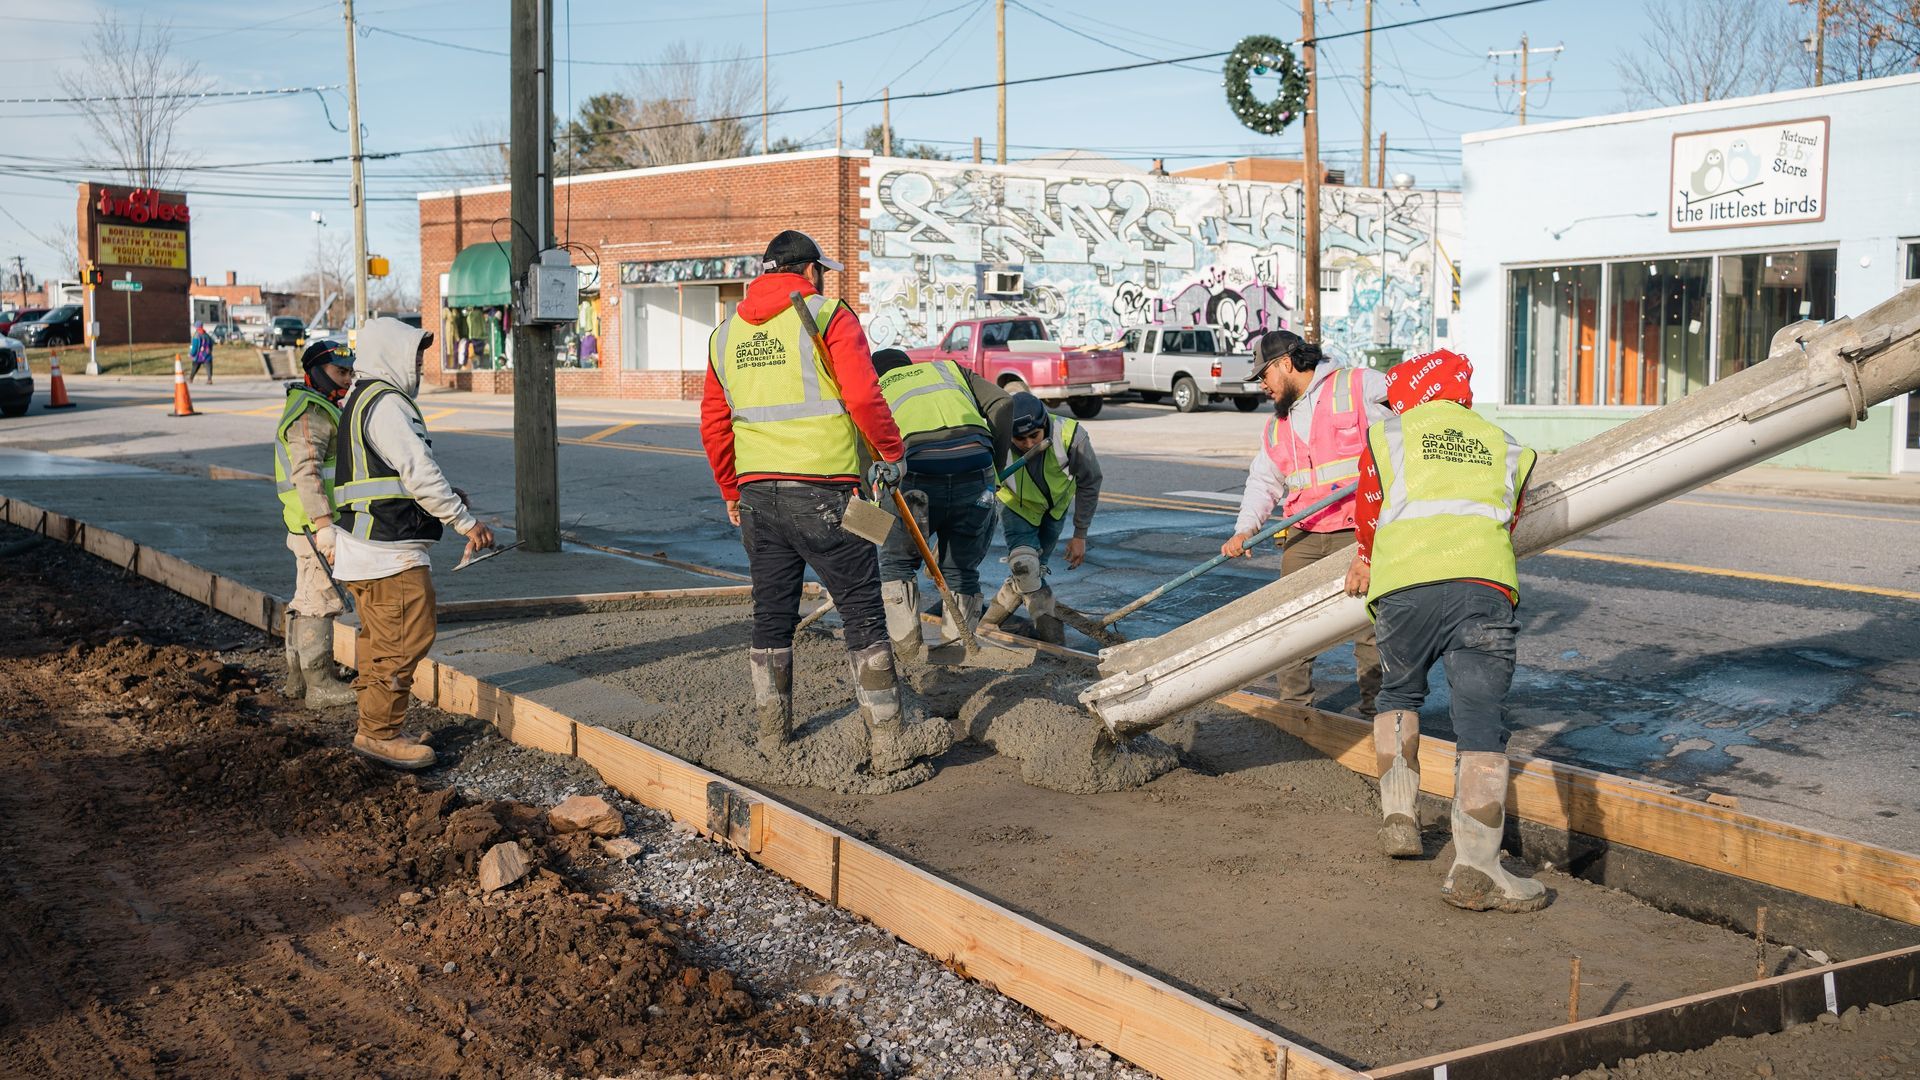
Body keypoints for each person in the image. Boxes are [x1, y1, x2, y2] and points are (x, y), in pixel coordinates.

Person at [700, 230, 951, 773]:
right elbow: (863, 394)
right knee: (862, 612)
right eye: (823, 271)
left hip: (758, 497)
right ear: (809, 271)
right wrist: (891, 450)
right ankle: (888, 743)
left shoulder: (725, 336)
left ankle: (774, 739)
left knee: (771, 617)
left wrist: (729, 489)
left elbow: (715, 425)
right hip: (825, 495)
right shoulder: (829, 316)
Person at [1342, 349, 1543, 912]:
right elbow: (1514, 516)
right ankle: (1475, 867)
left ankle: (1399, 819)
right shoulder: (1507, 446)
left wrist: (1364, 556)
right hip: (1483, 588)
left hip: (1406, 587)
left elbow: (1370, 506)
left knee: (1400, 691)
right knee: (1480, 721)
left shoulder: (1391, 435)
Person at [329, 317, 496, 771]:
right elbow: (418, 472)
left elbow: (392, 478)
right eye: (414, 354)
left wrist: (445, 500)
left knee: (380, 642)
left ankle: (378, 724)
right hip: (387, 552)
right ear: (391, 355)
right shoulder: (385, 404)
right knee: (405, 637)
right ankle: (379, 734)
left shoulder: (362, 400)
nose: (420, 364)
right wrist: (465, 522)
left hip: (367, 547)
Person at [1222, 329, 1389, 717]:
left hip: (1358, 530)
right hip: (1305, 533)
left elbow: (1409, 419)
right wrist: (1245, 529)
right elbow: (1264, 480)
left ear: (1285, 364)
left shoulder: (1358, 385)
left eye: (1264, 375)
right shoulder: (1278, 424)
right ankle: (1295, 711)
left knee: (1369, 624)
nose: (1262, 385)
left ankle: (1377, 712)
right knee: (1289, 625)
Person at [870, 346, 1013, 659]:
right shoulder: (949, 370)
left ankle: (907, 656)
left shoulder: (873, 389)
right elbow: (1003, 402)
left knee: (896, 562)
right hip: (976, 475)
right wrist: (996, 469)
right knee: (961, 569)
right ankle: (957, 655)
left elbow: (868, 476)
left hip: (918, 479)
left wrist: (871, 521)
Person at [272, 339, 359, 709]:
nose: (348, 378)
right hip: (315, 526)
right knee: (321, 601)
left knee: (304, 598)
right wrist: (325, 525)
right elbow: (307, 472)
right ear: (317, 372)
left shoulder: (318, 407)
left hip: (304, 523)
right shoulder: (311, 413)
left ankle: (297, 680)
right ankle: (319, 683)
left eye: (351, 371)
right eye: (341, 372)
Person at [979, 392, 1102, 644]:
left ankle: (989, 621)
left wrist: (1080, 534)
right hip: (1017, 507)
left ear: (1044, 423)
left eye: (1033, 436)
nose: (1027, 444)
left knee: (1031, 574)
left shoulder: (1071, 436)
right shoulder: (993, 439)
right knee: (1026, 566)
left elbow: (1090, 482)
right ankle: (1053, 640)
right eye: (1019, 438)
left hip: (1054, 509)